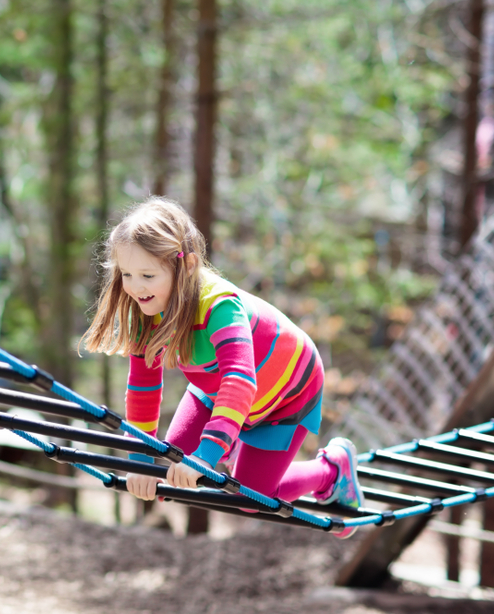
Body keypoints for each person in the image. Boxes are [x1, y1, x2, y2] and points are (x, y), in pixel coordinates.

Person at [82, 197, 364, 537]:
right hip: (214, 390)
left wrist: (207, 454)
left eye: (147, 274)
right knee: (170, 460)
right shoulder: (145, 311)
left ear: (186, 267)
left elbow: (240, 381)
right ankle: (233, 441)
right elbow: (143, 388)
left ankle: (331, 470)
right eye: (126, 274)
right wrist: (140, 461)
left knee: (251, 498)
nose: (135, 286)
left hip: (287, 394)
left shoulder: (219, 307)